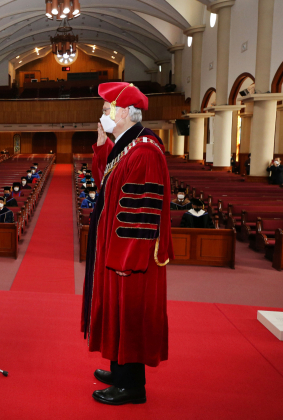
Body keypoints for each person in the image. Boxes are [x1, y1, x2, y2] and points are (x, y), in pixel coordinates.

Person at [82, 82, 173, 406]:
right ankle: (119, 368)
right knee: (118, 314)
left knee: (130, 315)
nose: (102, 115)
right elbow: (106, 184)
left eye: (106, 110)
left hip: (130, 259)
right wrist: (101, 143)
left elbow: (140, 216)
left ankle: (131, 385)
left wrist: (124, 260)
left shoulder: (145, 151)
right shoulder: (126, 147)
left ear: (122, 112)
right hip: (117, 253)